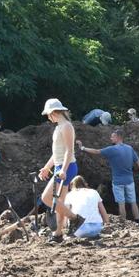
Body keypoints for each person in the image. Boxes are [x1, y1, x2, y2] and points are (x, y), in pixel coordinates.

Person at [38, 98, 85, 243]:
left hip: (67, 167)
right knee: (60, 202)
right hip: (61, 166)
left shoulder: (66, 126)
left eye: (48, 114)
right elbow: (57, 153)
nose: (47, 117)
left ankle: (75, 218)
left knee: (46, 198)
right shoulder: (59, 127)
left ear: (54, 112)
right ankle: (58, 234)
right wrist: (47, 167)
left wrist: (63, 170)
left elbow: (69, 150)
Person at [78, 128, 139, 222]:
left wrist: (82, 148)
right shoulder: (129, 148)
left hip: (118, 182)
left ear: (118, 137)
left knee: (121, 203)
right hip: (130, 181)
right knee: (133, 202)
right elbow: (138, 161)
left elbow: (96, 151)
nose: (111, 138)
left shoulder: (112, 149)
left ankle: (124, 223)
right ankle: (138, 221)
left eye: (112, 136)